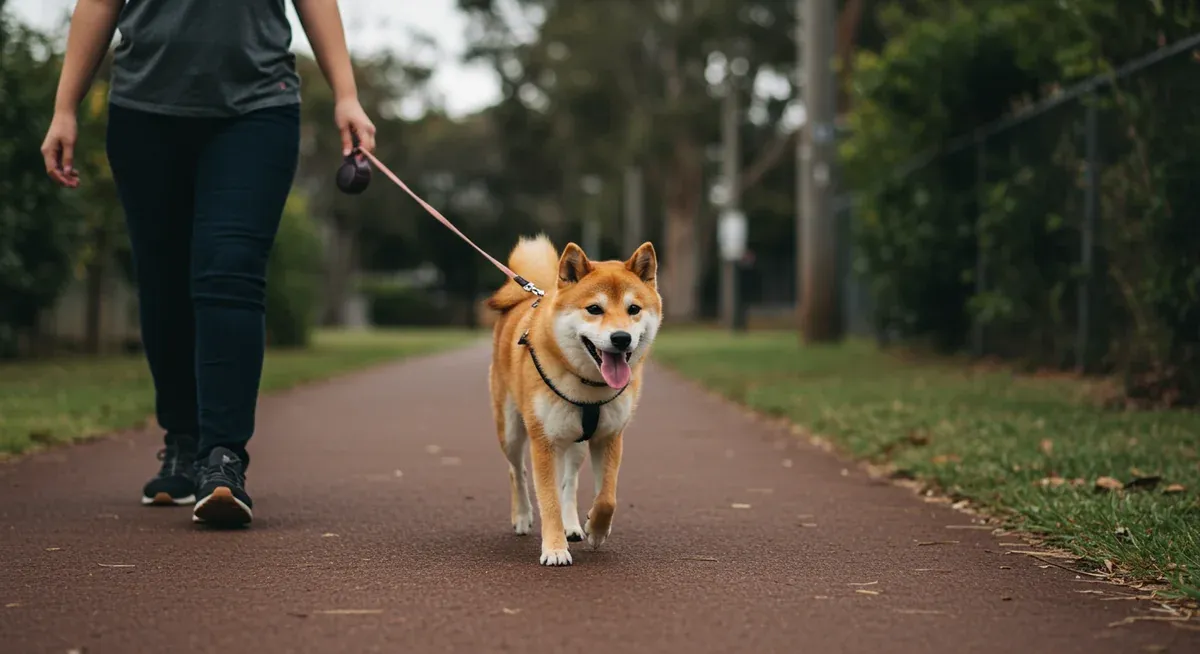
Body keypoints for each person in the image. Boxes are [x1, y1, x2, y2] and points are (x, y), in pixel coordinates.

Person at [40, 0, 376, 527]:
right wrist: (65, 107)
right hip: (145, 113)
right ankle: (182, 439)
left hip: (258, 109)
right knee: (162, 282)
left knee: (230, 271)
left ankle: (223, 457)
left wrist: (347, 95)